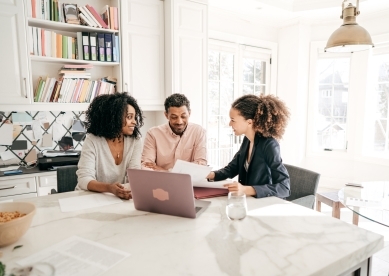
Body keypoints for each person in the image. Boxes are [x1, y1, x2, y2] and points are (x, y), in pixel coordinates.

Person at [206, 94, 291, 199]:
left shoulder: (269, 145)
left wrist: (245, 189)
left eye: (233, 120)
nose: (229, 124)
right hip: (248, 201)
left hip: (265, 203)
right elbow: (233, 168)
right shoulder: (247, 140)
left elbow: (284, 187)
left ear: (249, 122)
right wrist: (210, 175)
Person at [75, 92, 144, 200]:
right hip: (89, 198)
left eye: (135, 117)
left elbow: (135, 175)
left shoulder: (135, 141)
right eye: (129, 117)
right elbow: (84, 179)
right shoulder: (92, 141)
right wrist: (109, 188)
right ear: (114, 117)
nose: (134, 122)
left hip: (117, 198)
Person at [142, 93, 207, 171]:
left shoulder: (198, 132)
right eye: (174, 117)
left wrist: (166, 171)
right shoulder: (153, 134)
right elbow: (146, 165)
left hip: (188, 182)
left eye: (183, 116)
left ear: (189, 114)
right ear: (166, 115)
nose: (179, 122)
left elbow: (201, 165)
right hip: (161, 182)